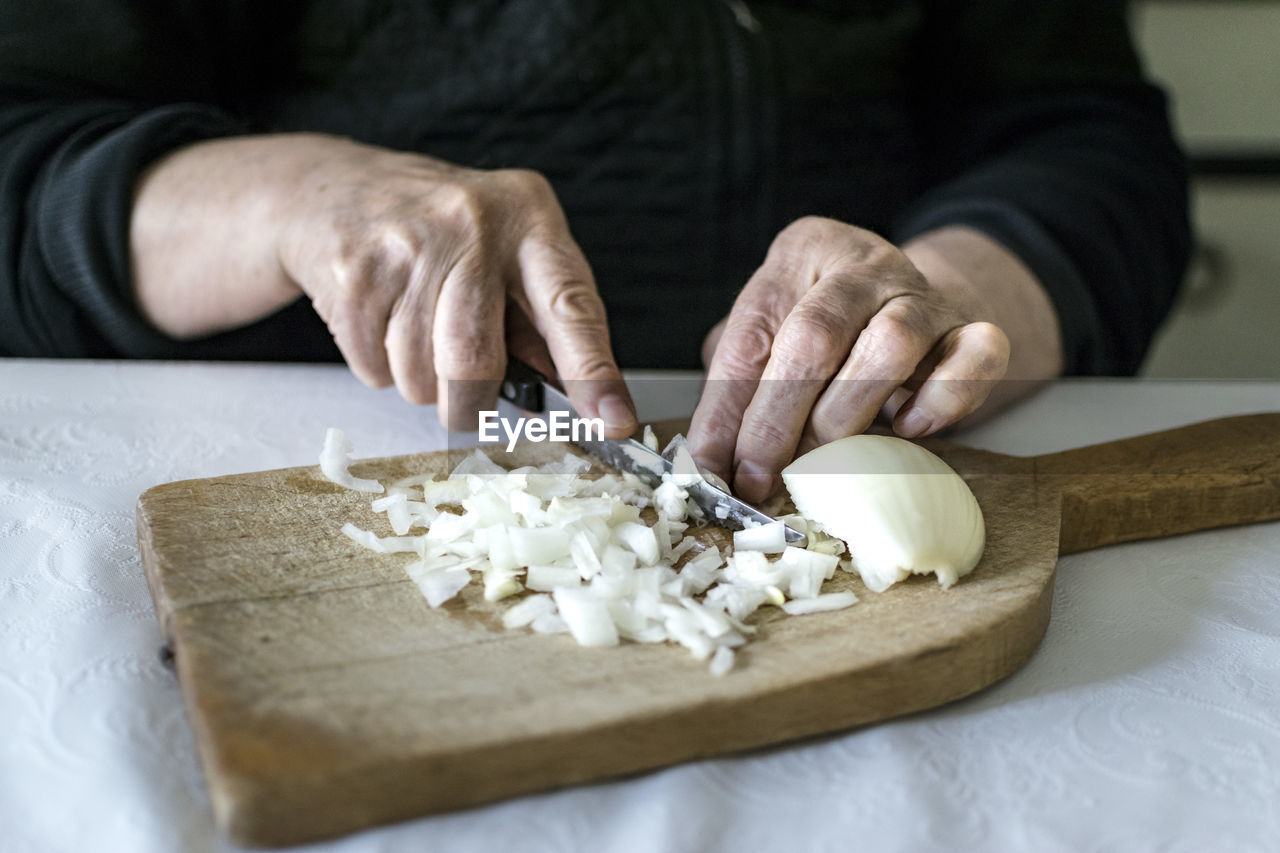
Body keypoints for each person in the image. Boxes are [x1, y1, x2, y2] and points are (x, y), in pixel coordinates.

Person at [0, 1, 1189, 502]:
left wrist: (951, 292)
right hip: (299, 465)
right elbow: (24, 142)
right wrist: (289, 199)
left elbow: (1082, 133)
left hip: (861, 463)